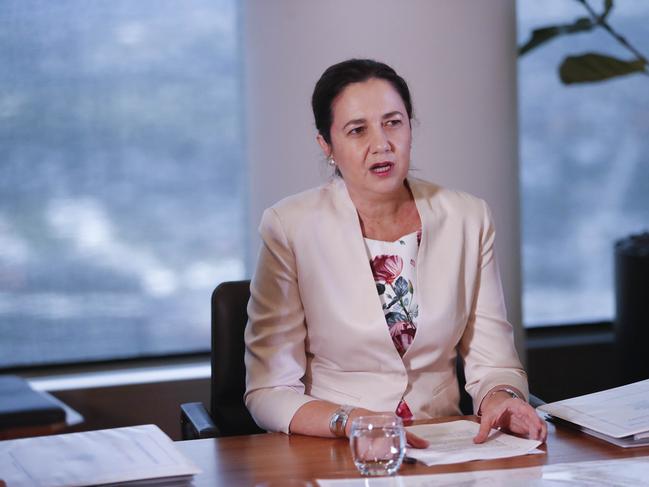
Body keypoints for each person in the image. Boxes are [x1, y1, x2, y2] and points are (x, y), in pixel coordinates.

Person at [244, 59, 547, 446]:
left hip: (443, 443)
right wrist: (352, 421)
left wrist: (501, 398)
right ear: (326, 145)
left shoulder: (468, 217)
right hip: (336, 446)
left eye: (393, 122)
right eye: (357, 130)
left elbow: (494, 362)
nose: (382, 144)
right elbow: (267, 391)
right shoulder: (290, 226)